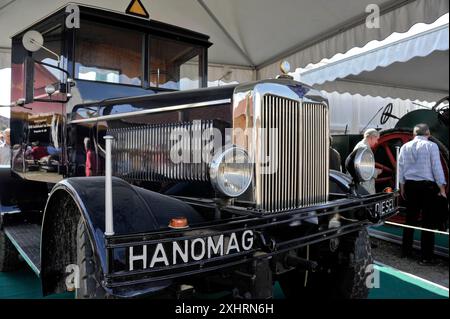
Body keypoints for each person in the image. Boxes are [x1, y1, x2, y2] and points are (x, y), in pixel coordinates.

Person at [398, 123, 447, 265]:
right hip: (427, 187)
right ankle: (426, 257)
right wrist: (442, 188)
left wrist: (402, 187)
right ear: (428, 133)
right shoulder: (432, 146)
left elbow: (400, 169)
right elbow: (437, 168)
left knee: (410, 220)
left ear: (414, 134)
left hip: (410, 186)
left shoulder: (405, 147)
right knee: (427, 222)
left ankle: (405, 252)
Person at [353, 128, 382, 194]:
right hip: (365, 185)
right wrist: (377, 172)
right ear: (371, 138)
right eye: (376, 139)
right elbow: (365, 170)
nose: (377, 142)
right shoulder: (366, 149)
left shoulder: (360, 145)